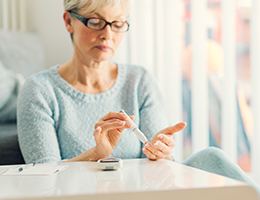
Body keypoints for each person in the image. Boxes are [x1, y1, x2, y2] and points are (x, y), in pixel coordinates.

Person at [17, 0, 260, 196]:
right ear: (68, 21)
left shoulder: (139, 80)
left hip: (144, 193)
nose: (107, 35)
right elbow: (43, 182)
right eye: (95, 22)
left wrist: (162, 153)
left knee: (212, 157)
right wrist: (95, 154)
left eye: (118, 24)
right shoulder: (39, 90)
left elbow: (159, 170)